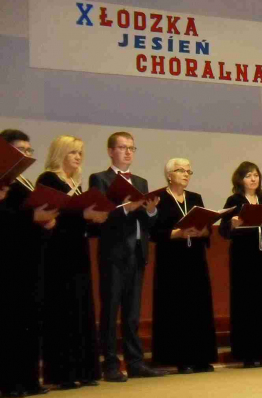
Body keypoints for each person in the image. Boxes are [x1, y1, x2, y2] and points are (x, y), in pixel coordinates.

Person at [88, 132, 165, 381]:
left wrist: (151, 211)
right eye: (122, 147)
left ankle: (135, 362)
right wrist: (125, 209)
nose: (128, 152)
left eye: (132, 148)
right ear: (111, 151)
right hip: (113, 252)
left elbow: (146, 221)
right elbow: (100, 216)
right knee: (111, 310)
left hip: (137, 251)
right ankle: (110, 364)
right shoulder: (100, 179)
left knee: (132, 313)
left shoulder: (141, 181)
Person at [37, 135, 108, 389]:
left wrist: (95, 217)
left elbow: (77, 216)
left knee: (81, 307)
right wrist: (83, 214)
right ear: (60, 154)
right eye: (72, 152)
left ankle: (84, 370)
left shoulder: (76, 183)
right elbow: (52, 215)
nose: (78, 157)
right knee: (63, 311)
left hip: (78, 250)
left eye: (80, 153)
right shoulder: (48, 179)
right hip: (58, 253)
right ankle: (63, 373)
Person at [0, 130, 58, 397]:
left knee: (30, 321)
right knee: (11, 323)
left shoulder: (22, 181)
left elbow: (26, 216)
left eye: (28, 150)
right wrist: (32, 218)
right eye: (20, 149)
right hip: (8, 262)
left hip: (30, 259)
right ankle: (10, 382)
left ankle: (29, 379)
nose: (26, 154)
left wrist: (47, 222)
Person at [150, 158, 217, 374]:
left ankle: (201, 357)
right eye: (181, 170)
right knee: (177, 307)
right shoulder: (159, 198)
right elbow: (154, 231)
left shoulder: (195, 198)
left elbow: (207, 227)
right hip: (172, 260)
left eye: (189, 171)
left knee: (198, 306)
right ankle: (181, 358)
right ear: (169, 175)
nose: (186, 174)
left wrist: (203, 231)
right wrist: (177, 233)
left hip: (195, 257)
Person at [219, 161, 262, 368]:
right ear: (240, 180)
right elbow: (223, 232)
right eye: (248, 176)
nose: (253, 179)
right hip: (243, 257)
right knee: (245, 303)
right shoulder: (234, 201)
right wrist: (232, 224)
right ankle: (248, 355)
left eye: (256, 175)